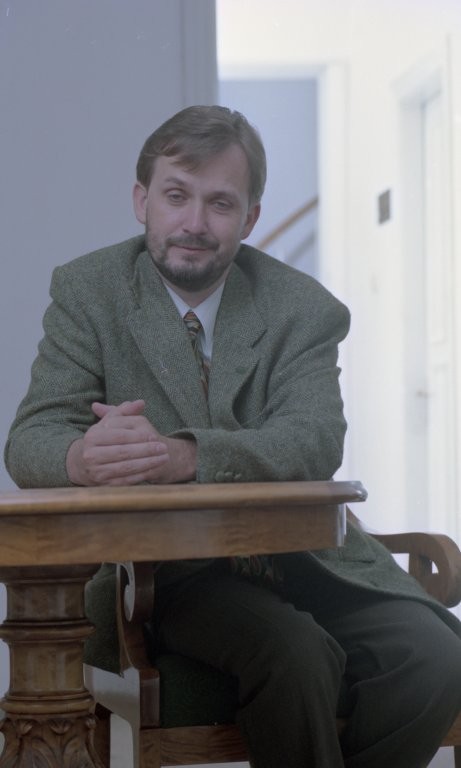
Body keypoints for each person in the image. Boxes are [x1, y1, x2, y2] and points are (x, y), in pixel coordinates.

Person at [5, 105, 461, 768]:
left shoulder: (303, 307)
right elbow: (31, 439)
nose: (194, 222)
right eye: (176, 196)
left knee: (437, 656)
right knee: (296, 654)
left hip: (307, 556)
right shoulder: (88, 292)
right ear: (141, 200)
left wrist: (183, 456)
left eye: (220, 203)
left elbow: (314, 440)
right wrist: (81, 456)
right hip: (158, 576)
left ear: (249, 218)